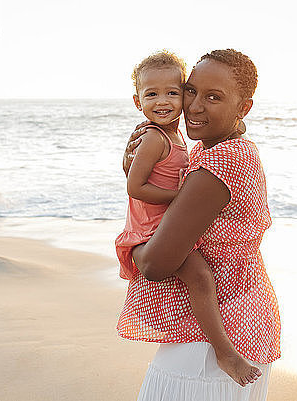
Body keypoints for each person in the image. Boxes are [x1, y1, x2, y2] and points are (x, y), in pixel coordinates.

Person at [118, 49, 281, 401]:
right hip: (247, 321)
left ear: (244, 108)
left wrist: (135, 245)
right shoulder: (235, 148)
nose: (193, 106)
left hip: (214, 343)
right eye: (190, 90)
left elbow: (156, 265)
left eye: (214, 97)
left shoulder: (217, 162)